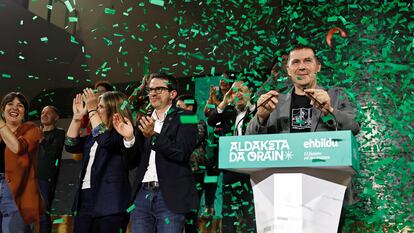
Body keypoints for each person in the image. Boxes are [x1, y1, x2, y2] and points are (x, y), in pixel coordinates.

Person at [246, 45, 360, 233]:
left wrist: (329, 111)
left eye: (308, 61)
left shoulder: (336, 95)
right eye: (295, 62)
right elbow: (250, 140)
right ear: (288, 70)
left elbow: (353, 128)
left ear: (318, 66)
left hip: (327, 188)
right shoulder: (275, 100)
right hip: (284, 189)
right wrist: (260, 117)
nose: (302, 66)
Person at [113, 73, 199, 233]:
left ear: (172, 94)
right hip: (141, 196)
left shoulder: (188, 117)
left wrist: (153, 136)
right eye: (150, 89)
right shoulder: (142, 120)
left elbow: (182, 152)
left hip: (170, 196)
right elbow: (132, 163)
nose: (153, 93)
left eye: (159, 89)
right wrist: (129, 139)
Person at [65, 90, 132, 233]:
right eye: (97, 106)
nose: (96, 109)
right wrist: (77, 118)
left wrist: (91, 108)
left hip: (110, 201)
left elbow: (105, 140)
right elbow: (70, 145)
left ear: (113, 108)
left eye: (100, 106)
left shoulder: (123, 132)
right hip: (85, 199)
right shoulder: (92, 136)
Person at [207, 78, 257, 233]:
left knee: (251, 216)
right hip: (231, 170)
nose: (238, 94)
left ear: (251, 93)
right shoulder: (228, 112)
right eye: (235, 91)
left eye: (242, 90)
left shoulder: (259, 111)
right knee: (229, 217)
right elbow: (211, 120)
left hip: (252, 172)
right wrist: (224, 101)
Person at [0, 92, 44, 233]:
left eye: (20, 106)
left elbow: (17, 148)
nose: (15, 108)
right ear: (3, 109)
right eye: (10, 104)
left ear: (24, 112)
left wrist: (1, 125)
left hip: (16, 191)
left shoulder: (31, 130)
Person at [176, 95, 207, 233]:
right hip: (176, 173)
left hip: (194, 173)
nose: (174, 110)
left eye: (179, 107)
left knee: (191, 212)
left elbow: (190, 140)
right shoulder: (172, 124)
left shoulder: (198, 123)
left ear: (189, 107)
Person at [37, 105, 66, 233]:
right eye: (42, 112)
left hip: (45, 179)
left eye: (48, 112)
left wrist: (42, 139)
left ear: (56, 117)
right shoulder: (35, 133)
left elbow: (53, 152)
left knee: (43, 212)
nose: (44, 114)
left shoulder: (59, 133)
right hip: (29, 178)